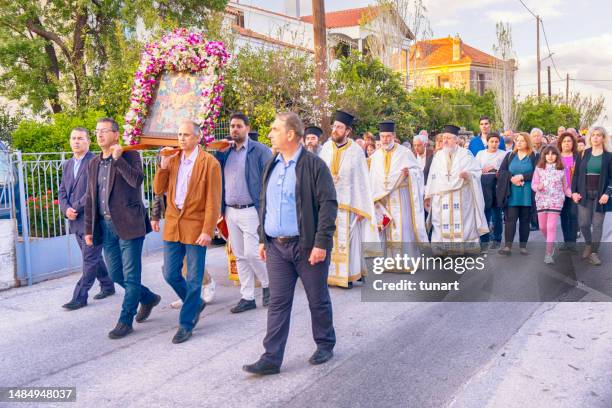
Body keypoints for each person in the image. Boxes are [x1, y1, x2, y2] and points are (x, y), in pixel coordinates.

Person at [243, 112, 337, 376]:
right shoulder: (272, 163)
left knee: (317, 299)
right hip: (276, 247)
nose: (270, 133)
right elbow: (266, 203)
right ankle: (271, 358)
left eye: (275, 129)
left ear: (290, 135)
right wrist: (264, 237)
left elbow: (328, 205)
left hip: (307, 246)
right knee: (278, 303)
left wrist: (321, 243)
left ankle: (325, 344)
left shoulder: (313, 165)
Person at [84, 118, 161, 339]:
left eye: (104, 131)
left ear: (116, 135)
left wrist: (118, 160)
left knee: (131, 275)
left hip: (129, 224)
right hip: (106, 226)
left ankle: (125, 320)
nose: (99, 135)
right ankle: (147, 298)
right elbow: (91, 198)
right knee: (116, 274)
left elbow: (136, 181)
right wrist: (89, 229)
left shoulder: (130, 155)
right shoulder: (94, 163)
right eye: (96, 131)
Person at [153, 120, 221, 343]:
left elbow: (213, 201)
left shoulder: (209, 163)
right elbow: (157, 189)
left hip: (196, 225)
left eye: (186, 135)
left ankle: (186, 323)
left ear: (197, 137)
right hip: (173, 224)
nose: (181, 138)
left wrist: (207, 230)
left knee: (193, 278)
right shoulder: (172, 159)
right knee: (170, 273)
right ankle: (196, 304)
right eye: (179, 134)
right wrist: (163, 165)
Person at [215, 112, 272, 313]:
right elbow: (215, 174)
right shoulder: (225, 153)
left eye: (239, 126)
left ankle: (268, 285)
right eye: (232, 126)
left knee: (252, 253)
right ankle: (247, 296)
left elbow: (270, 180)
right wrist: (218, 150)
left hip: (251, 210)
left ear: (247, 128)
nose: (234, 129)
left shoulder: (260, 150)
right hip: (231, 210)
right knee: (239, 255)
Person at [319, 110, 379, 288]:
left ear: (347, 131)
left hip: (350, 207)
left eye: (339, 127)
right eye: (334, 126)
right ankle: (331, 276)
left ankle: (350, 276)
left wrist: (362, 208)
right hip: (328, 204)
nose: (335, 130)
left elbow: (362, 182)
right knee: (330, 241)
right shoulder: (326, 148)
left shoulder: (356, 151)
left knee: (349, 244)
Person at [59, 127, 115, 310]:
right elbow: (62, 191)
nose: (76, 141)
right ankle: (107, 285)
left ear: (88, 142)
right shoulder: (68, 164)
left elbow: (95, 189)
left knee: (89, 259)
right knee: (93, 257)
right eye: (73, 138)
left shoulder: (95, 161)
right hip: (75, 220)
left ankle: (79, 297)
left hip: (91, 220)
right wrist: (66, 208)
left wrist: (76, 206)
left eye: (80, 138)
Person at [425, 125, 488, 254]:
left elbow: (476, 172)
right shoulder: (438, 156)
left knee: (463, 223)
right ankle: (441, 250)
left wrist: (468, 175)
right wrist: (427, 195)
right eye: (443, 138)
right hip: (442, 198)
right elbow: (432, 177)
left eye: (448, 138)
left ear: (456, 140)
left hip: (461, 196)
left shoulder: (466, 154)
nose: (445, 141)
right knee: (440, 223)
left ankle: (463, 249)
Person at [369, 120, 427, 258]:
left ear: (394, 136)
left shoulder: (404, 152)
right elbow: (372, 178)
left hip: (401, 198)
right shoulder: (376, 156)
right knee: (385, 228)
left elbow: (418, 172)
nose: (385, 139)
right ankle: (387, 261)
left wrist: (410, 174)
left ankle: (405, 260)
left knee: (403, 228)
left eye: (388, 136)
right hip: (383, 200)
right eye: (382, 136)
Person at [571, 126, 612, 266]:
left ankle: (594, 252)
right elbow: (575, 175)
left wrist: (607, 193)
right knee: (583, 223)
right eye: (593, 135)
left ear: (603, 138)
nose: (595, 137)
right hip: (584, 193)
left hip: (601, 195)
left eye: (599, 135)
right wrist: (574, 192)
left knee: (597, 224)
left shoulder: (609, 156)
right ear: (589, 137)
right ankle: (588, 243)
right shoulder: (583, 153)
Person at [496, 132, 538, 256]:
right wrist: (511, 178)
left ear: (528, 142)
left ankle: (523, 246)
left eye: (522, 141)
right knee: (510, 220)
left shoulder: (534, 156)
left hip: (527, 193)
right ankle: (507, 246)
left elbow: (538, 173)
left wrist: (522, 177)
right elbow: (501, 172)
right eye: (517, 140)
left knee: (525, 220)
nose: (519, 143)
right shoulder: (510, 155)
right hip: (512, 192)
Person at [532, 145, 572, 264]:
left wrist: (572, 195)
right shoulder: (539, 168)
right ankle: (552, 242)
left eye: (553, 154)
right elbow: (533, 185)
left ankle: (548, 253)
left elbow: (566, 187)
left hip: (556, 200)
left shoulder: (562, 169)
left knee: (551, 227)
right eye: (547, 154)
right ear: (544, 156)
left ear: (557, 156)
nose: (550, 156)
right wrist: (537, 187)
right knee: (542, 227)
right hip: (542, 200)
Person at [475, 132, 507, 250]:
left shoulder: (504, 154)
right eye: (491, 141)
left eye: (496, 141)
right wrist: (482, 169)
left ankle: (497, 239)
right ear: (487, 142)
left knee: (497, 213)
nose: (494, 144)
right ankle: (484, 239)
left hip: (497, 185)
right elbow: (474, 168)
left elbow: (506, 170)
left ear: (499, 142)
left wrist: (497, 170)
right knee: (484, 213)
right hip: (483, 185)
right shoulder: (480, 154)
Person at [556, 132, 579, 252]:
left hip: (574, 192)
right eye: (564, 141)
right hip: (560, 193)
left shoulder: (578, 156)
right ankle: (567, 242)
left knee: (574, 216)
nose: (566, 143)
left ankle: (573, 243)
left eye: (569, 141)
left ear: (573, 143)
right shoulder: (556, 157)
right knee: (564, 217)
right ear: (560, 143)